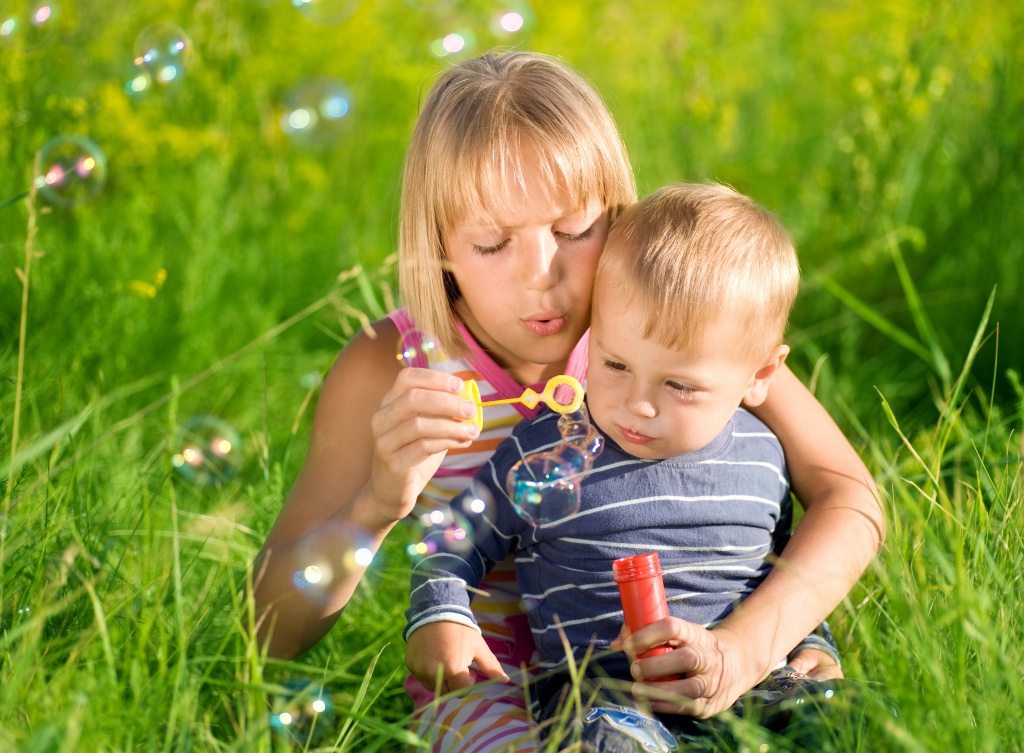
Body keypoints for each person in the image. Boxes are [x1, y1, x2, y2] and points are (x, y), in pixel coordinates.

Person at [253, 51, 884, 753]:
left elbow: (849, 499)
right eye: (492, 243)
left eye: (575, 229)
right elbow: (269, 633)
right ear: (439, 247)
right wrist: (375, 504)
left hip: (693, 673)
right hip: (491, 694)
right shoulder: (389, 366)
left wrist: (751, 643)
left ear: (616, 212)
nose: (541, 277)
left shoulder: (666, 335)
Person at [405, 183, 856, 749]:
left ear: (761, 376)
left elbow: (782, 570)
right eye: (614, 363)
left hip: (756, 686)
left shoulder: (764, 458)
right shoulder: (544, 451)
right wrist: (438, 613)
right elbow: (452, 538)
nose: (637, 404)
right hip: (607, 700)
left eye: (679, 385)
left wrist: (817, 642)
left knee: (852, 717)